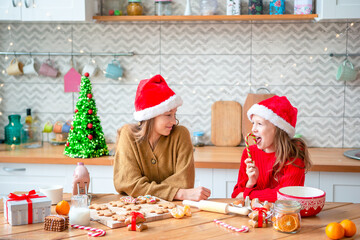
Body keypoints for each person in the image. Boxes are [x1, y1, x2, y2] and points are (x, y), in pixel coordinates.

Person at [113, 74, 211, 201]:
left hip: (175, 211)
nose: (174, 121)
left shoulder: (181, 134)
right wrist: (179, 193)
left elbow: (184, 182)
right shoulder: (128, 134)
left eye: (175, 114)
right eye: (168, 115)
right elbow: (128, 184)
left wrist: (143, 189)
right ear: (150, 116)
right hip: (134, 210)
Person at [232, 95, 312, 202]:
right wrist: (250, 183)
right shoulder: (249, 152)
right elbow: (236, 195)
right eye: (253, 123)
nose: (253, 129)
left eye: (259, 124)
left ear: (278, 129)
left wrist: (248, 194)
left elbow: (285, 195)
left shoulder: (294, 154)